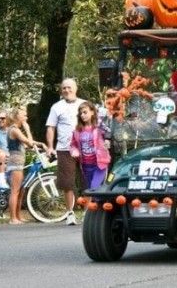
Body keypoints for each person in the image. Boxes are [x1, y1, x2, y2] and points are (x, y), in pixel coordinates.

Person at [46, 78, 86, 225]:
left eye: (69, 88)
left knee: (87, 181)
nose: (67, 91)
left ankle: (88, 212)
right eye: (64, 88)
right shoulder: (56, 107)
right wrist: (50, 146)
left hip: (85, 148)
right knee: (67, 183)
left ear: (75, 88)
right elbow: (51, 127)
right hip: (64, 149)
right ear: (61, 90)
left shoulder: (84, 104)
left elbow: (94, 125)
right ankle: (70, 213)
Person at [6, 107, 48, 224]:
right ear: (17, 117)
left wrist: (41, 144)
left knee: (21, 190)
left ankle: (18, 216)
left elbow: (28, 143)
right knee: (15, 190)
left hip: (19, 162)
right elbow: (29, 142)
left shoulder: (16, 130)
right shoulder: (14, 130)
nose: (26, 117)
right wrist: (28, 129)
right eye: (24, 115)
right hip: (15, 163)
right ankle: (13, 218)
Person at [70, 102, 111, 208]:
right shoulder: (77, 131)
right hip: (86, 165)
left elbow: (109, 134)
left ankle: (97, 210)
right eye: (81, 113)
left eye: (85, 112)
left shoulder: (99, 127)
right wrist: (74, 150)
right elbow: (72, 145)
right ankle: (97, 211)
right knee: (90, 189)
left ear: (92, 112)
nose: (82, 115)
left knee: (93, 187)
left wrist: (107, 141)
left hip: (100, 163)